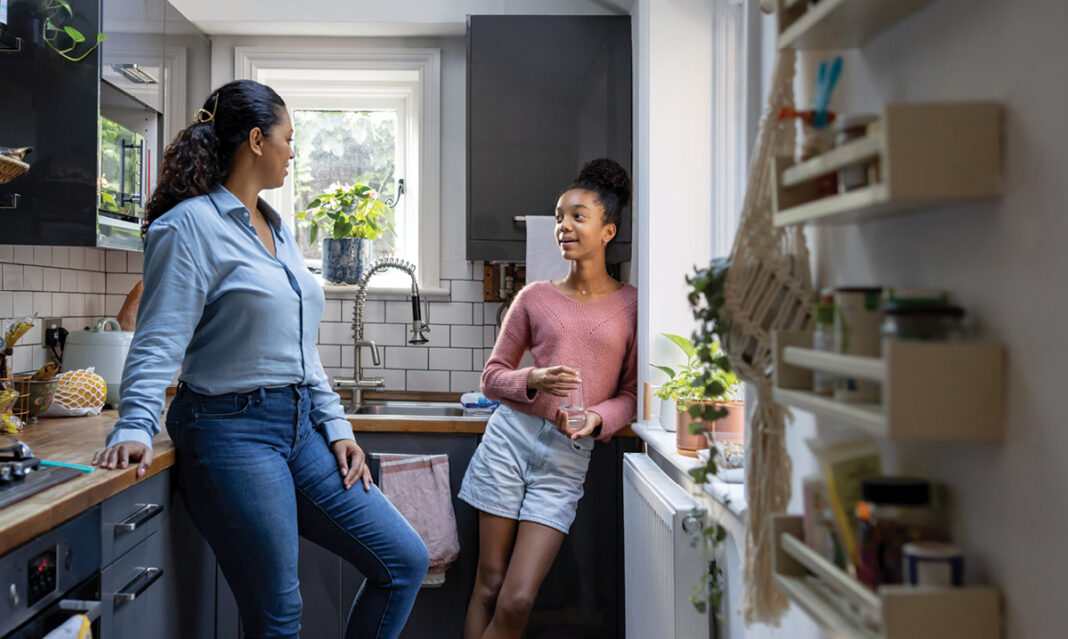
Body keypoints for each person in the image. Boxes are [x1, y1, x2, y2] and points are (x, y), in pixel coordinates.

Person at [91, 80, 429, 639]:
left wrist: (336, 425)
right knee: (279, 618)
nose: (293, 152)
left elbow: (303, 349)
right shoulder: (188, 227)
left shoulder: (278, 229)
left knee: (403, 561)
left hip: (300, 431)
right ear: (256, 139)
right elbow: (157, 340)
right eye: (287, 138)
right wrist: (134, 424)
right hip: (228, 432)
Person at [458, 159, 638, 639]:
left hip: (566, 458)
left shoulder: (633, 304)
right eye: (559, 216)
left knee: (518, 600)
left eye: (578, 216)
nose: (564, 226)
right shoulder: (533, 297)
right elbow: (491, 378)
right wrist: (532, 377)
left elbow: (633, 394)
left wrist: (597, 419)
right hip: (509, 442)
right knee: (490, 585)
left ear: (607, 231)